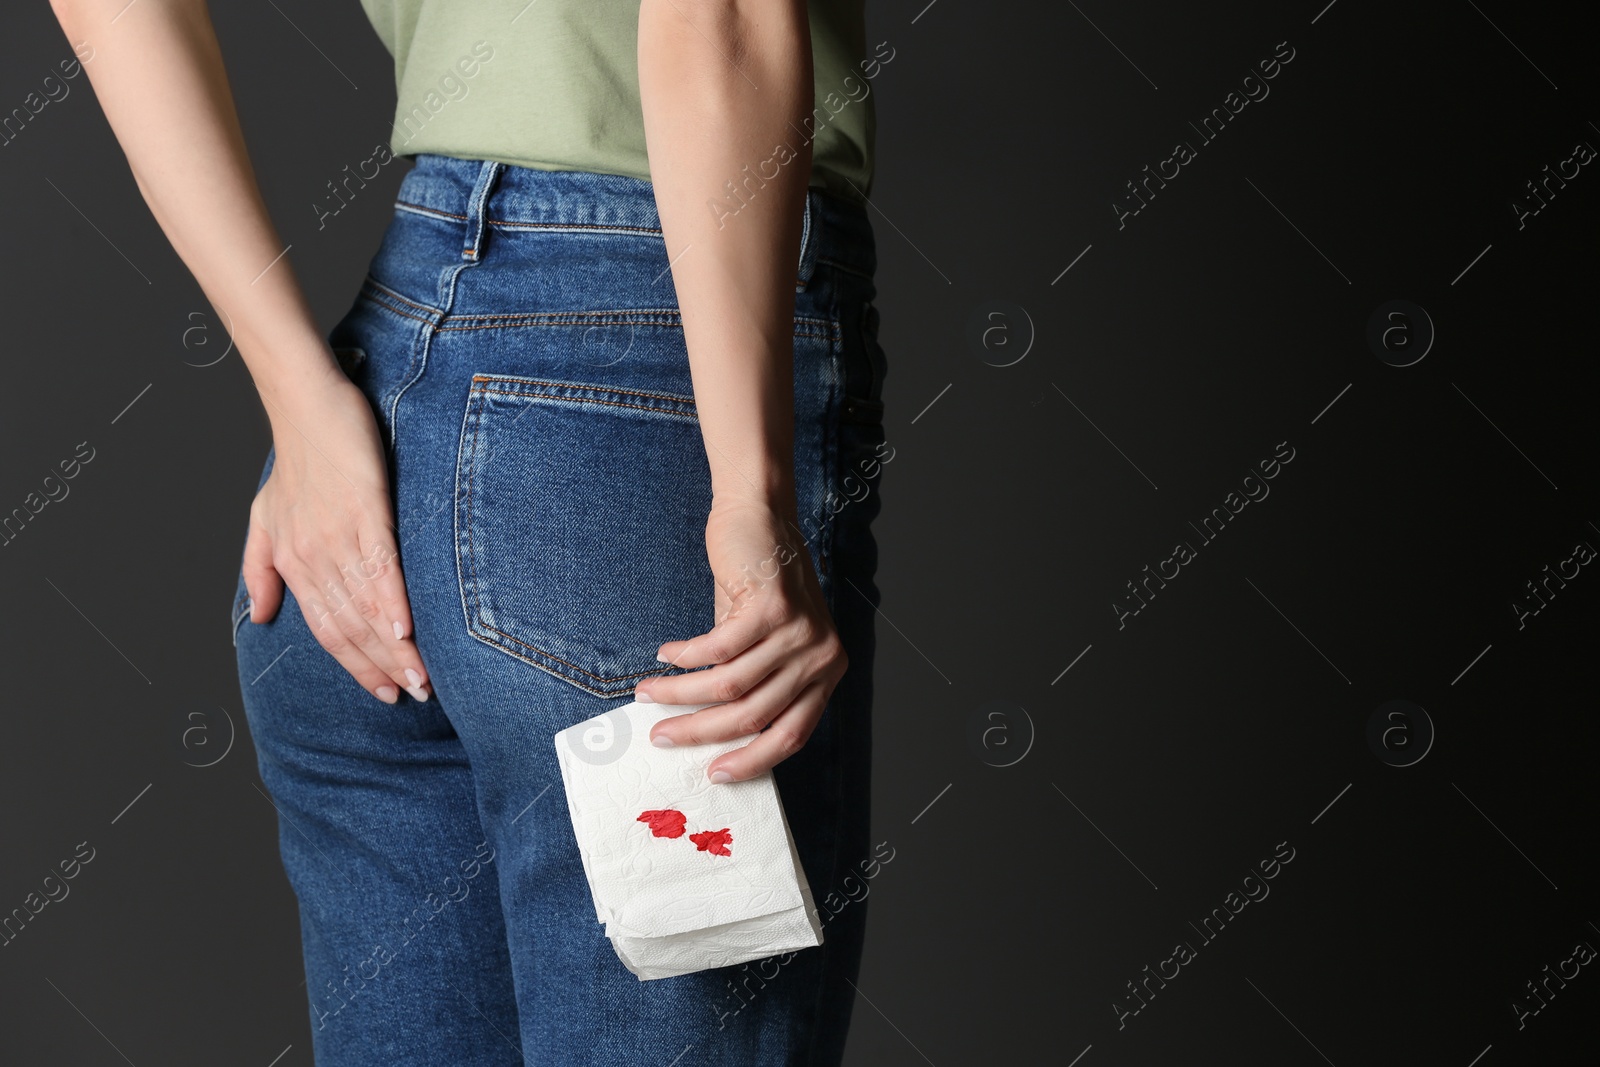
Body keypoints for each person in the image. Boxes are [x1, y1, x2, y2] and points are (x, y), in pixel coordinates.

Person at [48, 0, 888, 1062]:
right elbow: (716, 18)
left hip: (376, 445)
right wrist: (748, 498)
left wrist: (300, 404)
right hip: (651, 413)